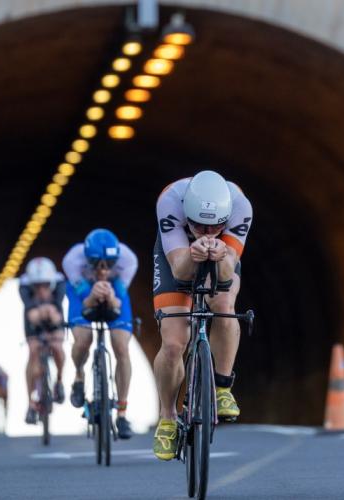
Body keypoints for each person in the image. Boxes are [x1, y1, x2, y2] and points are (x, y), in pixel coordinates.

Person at [151, 170, 253, 460]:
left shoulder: (240, 206)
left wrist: (219, 254)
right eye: (199, 226)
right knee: (173, 343)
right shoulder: (170, 200)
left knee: (224, 305)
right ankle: (168, 417)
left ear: (226, 218)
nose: (208, 233)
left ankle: (222, 387)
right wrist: (192, 252)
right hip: (177, 256)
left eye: (215, 227)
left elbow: (225, 274)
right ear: (187, 214)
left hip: (223, 259)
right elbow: (179, 271)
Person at [63, 228, 138, 439]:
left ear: (117, 260)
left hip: (115, 289)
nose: (103, 270)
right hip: (83, 291)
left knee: (121, 346)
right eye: (96, 264)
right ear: (87, 259)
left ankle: (122, 414)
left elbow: (119, 299)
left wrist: (111, 298)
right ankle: (79, 374)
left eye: (109, 265)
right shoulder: (73, 260)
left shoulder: (128, 259)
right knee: (83, 338)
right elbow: (84, 300)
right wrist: (92, 295)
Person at [18, 257, 67, 425]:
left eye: (45, 285)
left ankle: (59, 381)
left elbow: (57, 312)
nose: (41, 289)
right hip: (33, 318)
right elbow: (30, 312)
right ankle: (30, 401)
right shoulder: (24, 285)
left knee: (57, 346)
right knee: (33, 350)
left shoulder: (60, 283)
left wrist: (51, 313)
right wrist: (39, 313)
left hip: (53, 314)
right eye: (37, 286)